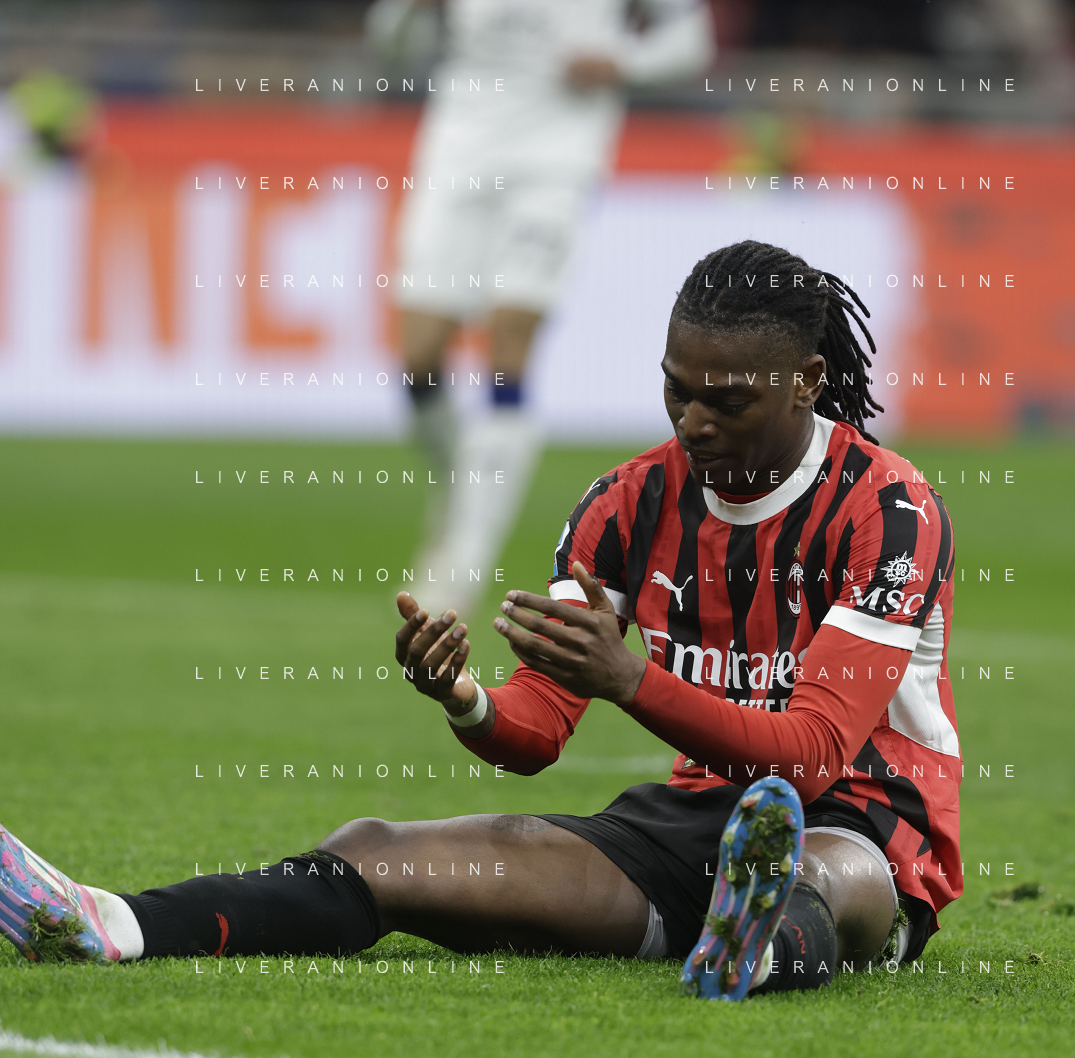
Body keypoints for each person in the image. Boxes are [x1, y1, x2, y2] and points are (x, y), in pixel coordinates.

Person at [0, 240, 962, 1002]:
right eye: (677, 387)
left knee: (823, 873)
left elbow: (809, 758)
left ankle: (763, 942)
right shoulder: (627, 502)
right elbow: (535, 732)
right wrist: (465, 698)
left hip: (865, 821)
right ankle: (109, 924)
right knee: (380, 849)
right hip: (695, 823)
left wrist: (630, 680)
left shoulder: (888, 511)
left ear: (805, 380)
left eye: (727, 400)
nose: (693, 421)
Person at [368, 0, 714, 613]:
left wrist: (622, 61)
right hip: (458, 154)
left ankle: (463, 558)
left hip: (558, 159)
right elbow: (388, 44)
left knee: (509, 343)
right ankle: (462, 492)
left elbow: (692, 40)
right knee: (418, 358)